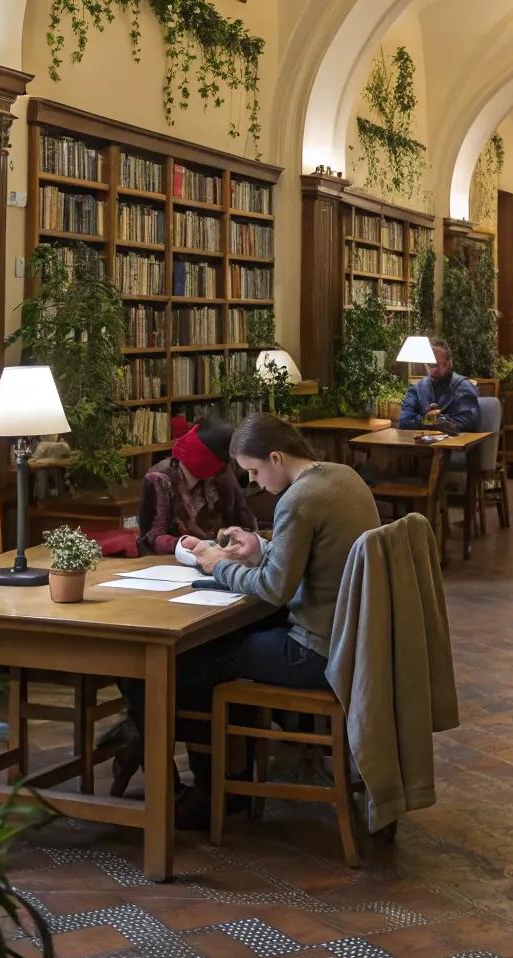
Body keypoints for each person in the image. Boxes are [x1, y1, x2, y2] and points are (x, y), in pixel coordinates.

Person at [114, 412, 381, 827]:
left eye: (254, 471)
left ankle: (203, 784)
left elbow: (274, 588)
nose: (253, 482)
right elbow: (309, 556)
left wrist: (217, 564)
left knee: (187, 661)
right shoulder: (342, 477)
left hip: (313, 653)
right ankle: (225, 776)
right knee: (220, 649)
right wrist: (259, 546)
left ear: (276, 457)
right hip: (348, 641)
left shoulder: (298, 498)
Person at [138, 416, 255, 553]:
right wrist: (182, 543)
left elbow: (245, 522)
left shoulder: (221, 476)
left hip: (221, 556)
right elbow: (152, 538)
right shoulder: (159, 479)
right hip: (173, 559)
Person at [397, 338, 479, 433]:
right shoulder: (417, 388)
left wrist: (436, 420)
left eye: (438, 365)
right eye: (430, 365)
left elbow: (468, 423)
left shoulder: (463, 387)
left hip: (455, 442)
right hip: (422, 441)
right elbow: (404, 421)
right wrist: (425, 420)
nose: (433, 370)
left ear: (450, 363)